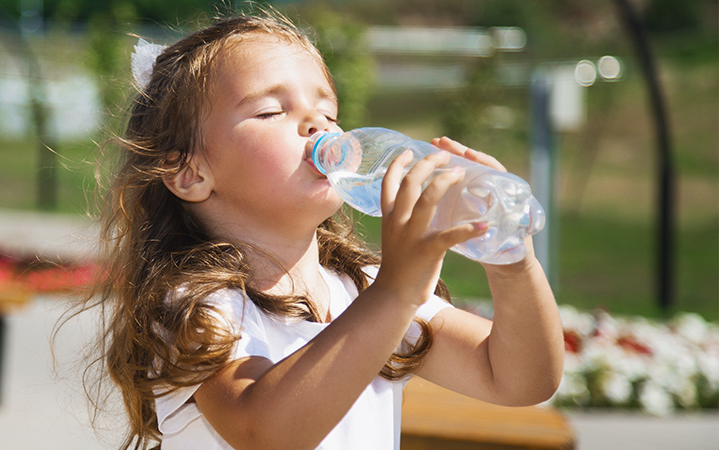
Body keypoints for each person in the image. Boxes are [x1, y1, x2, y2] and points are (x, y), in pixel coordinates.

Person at [80, 11, 564, 450]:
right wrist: (396, 292)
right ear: (191, 173)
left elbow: (519, 380)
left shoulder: (362, 285)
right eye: (271, 111)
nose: (317, 124)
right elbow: (265, 432)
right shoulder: (194, 306)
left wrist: (510, 259)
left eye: (328, 113)